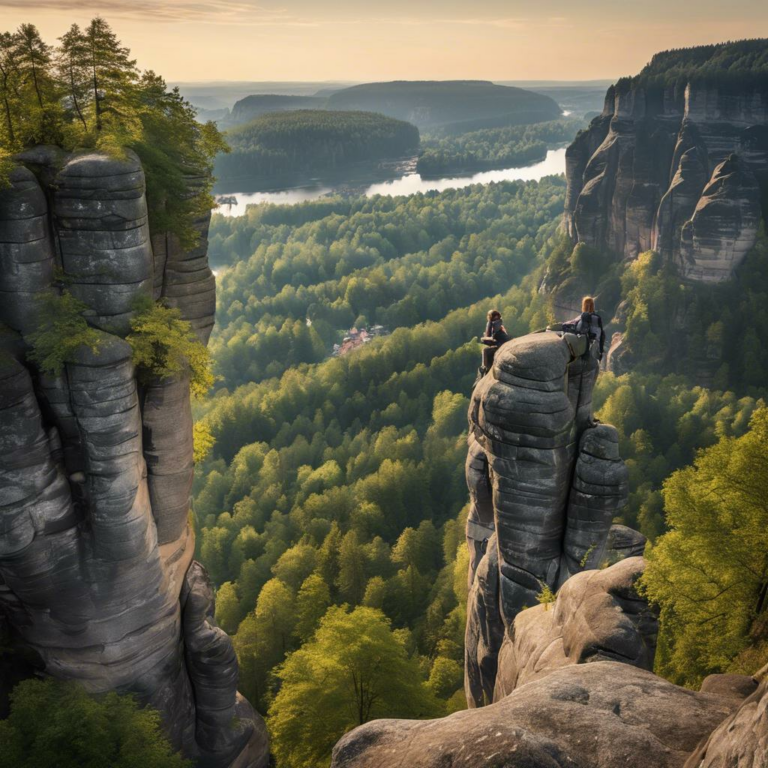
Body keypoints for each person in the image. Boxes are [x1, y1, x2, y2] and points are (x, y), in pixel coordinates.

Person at [478, 309, 511, 377]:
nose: (496, 321)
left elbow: (490, 338)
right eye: (495, 319)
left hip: (502, 346)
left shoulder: (492, 325)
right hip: (505, 345)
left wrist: (483, 338)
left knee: (485, 351)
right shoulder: (500, 326)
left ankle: (484, 368)